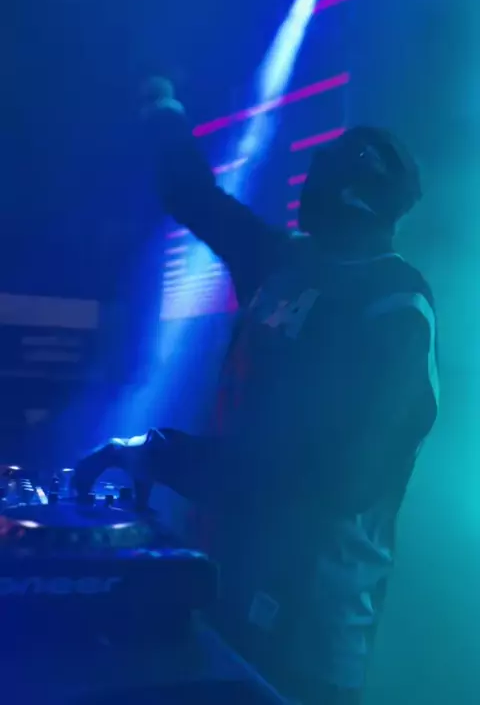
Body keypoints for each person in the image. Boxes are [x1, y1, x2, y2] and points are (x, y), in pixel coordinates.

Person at [75, 78, 439, 704]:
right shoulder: (286, 261)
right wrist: (160, 102)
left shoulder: (396, 310)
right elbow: (194, 197)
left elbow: (333, 481)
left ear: (351, 197)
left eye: (318, 178)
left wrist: (160, 454)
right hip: (226, 583)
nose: (304, 191)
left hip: (310, 632)